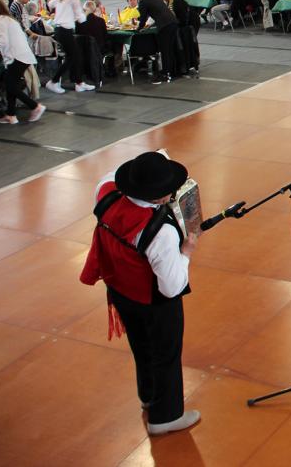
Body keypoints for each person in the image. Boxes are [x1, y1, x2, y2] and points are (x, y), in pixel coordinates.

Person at [78, 151, 201, 436]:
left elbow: (110, 174)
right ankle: (165, 417)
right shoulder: (163, 233)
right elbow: (171, 286)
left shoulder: (105, 194)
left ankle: (148, 397)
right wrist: (186, 254)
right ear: (160, 198)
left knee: (142, 347)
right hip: (153, 301)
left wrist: (150, 164)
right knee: (165, 353)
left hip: (120, 290)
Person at [0, 0, 45, 124]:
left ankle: (35, 106)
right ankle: (11, 115)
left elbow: (2, 42)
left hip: (17, 57)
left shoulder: (0, 21)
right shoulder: (8, 19)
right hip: (22, 55)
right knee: (11, 84)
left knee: (10, 85)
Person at [47, 0, 93, 94]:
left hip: (59, 30)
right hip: (65, 30)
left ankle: (79, 83)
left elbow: (50, 4)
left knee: (76, 56)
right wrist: (87, 12)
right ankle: (54, 81)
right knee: (72, 57)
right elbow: (81, 19)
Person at [135, 0, 179, 84]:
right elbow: (160, 12)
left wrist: (139, 29)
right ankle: (171, 71)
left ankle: (165, 73)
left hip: (165, 26)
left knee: (165, 50)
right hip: (173, 22)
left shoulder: (143, 2)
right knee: (170, 49)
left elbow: (142, 19)